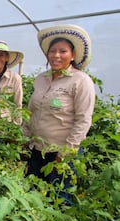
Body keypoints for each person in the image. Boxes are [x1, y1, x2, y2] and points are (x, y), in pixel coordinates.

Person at [25, 24, 95, 204]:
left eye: (63, 51)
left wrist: (64, 155)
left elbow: (83, 120)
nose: (56, 55)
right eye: (52, 51)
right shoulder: (41, 79)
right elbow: (30, 112)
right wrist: (24, 140)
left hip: (61, 152)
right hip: (37, 150)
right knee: (34, 197)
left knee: (59, 200)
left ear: (73, 55)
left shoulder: (81, 81)